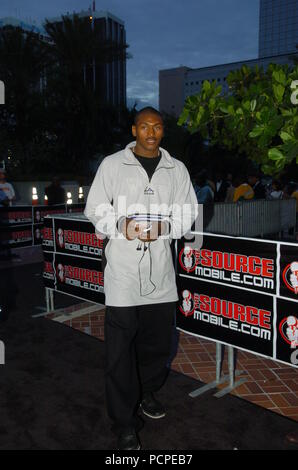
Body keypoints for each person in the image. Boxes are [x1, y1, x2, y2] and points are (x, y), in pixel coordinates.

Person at [84, 106, 198, 450]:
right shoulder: (112, 165)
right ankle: (124, 422)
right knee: (119, 353)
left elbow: (190, 212)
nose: (152, 132)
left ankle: (146, 391)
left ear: (163, 132)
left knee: (158, 345)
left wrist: (165, 227)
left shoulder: (176, 169)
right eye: (145, 126)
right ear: (134, 130)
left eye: (158, 127)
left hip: (161, 275)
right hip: (122, 276)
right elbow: (94, 207)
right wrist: (121, 225)